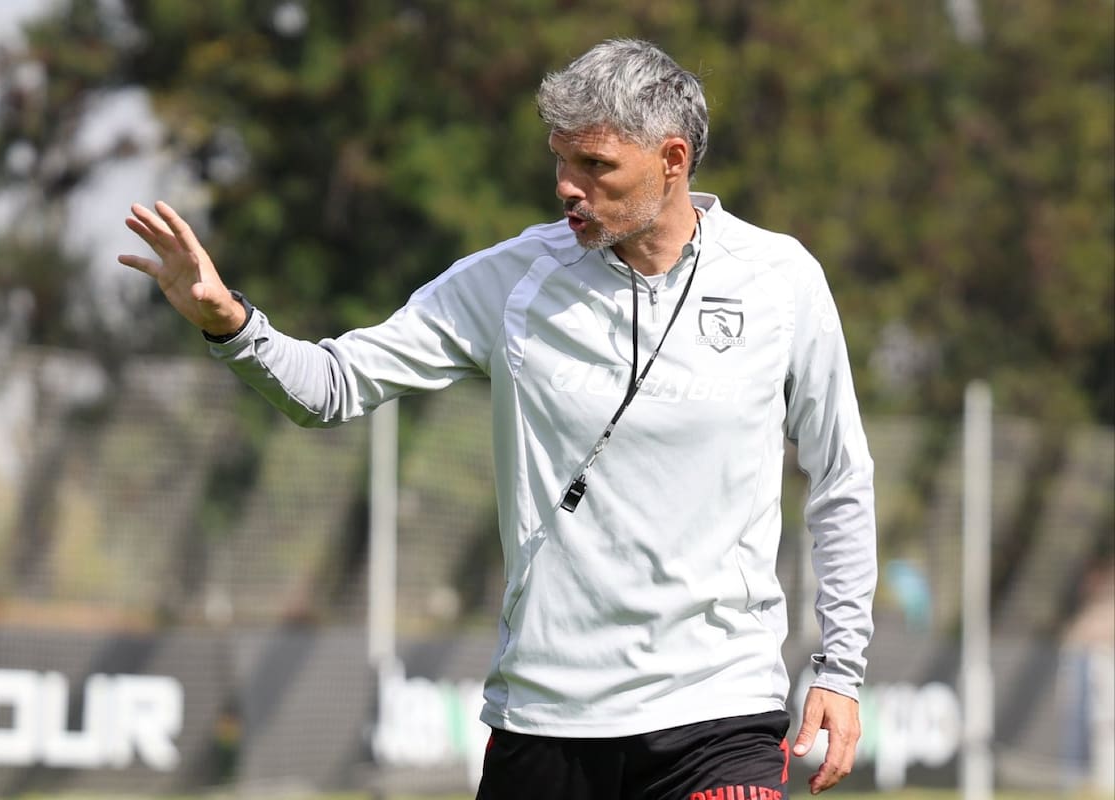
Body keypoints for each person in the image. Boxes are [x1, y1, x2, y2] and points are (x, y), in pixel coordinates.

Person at [120, 38, 876, 799]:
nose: (567, 188)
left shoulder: (781, 282)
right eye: (560, 162)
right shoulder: (512, 281)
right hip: (548, 720)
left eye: (595, 166)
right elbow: (334, 386)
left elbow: (841, 477)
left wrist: (840, 669)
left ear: (672, 160)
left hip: (719, 712)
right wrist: (230, 322)